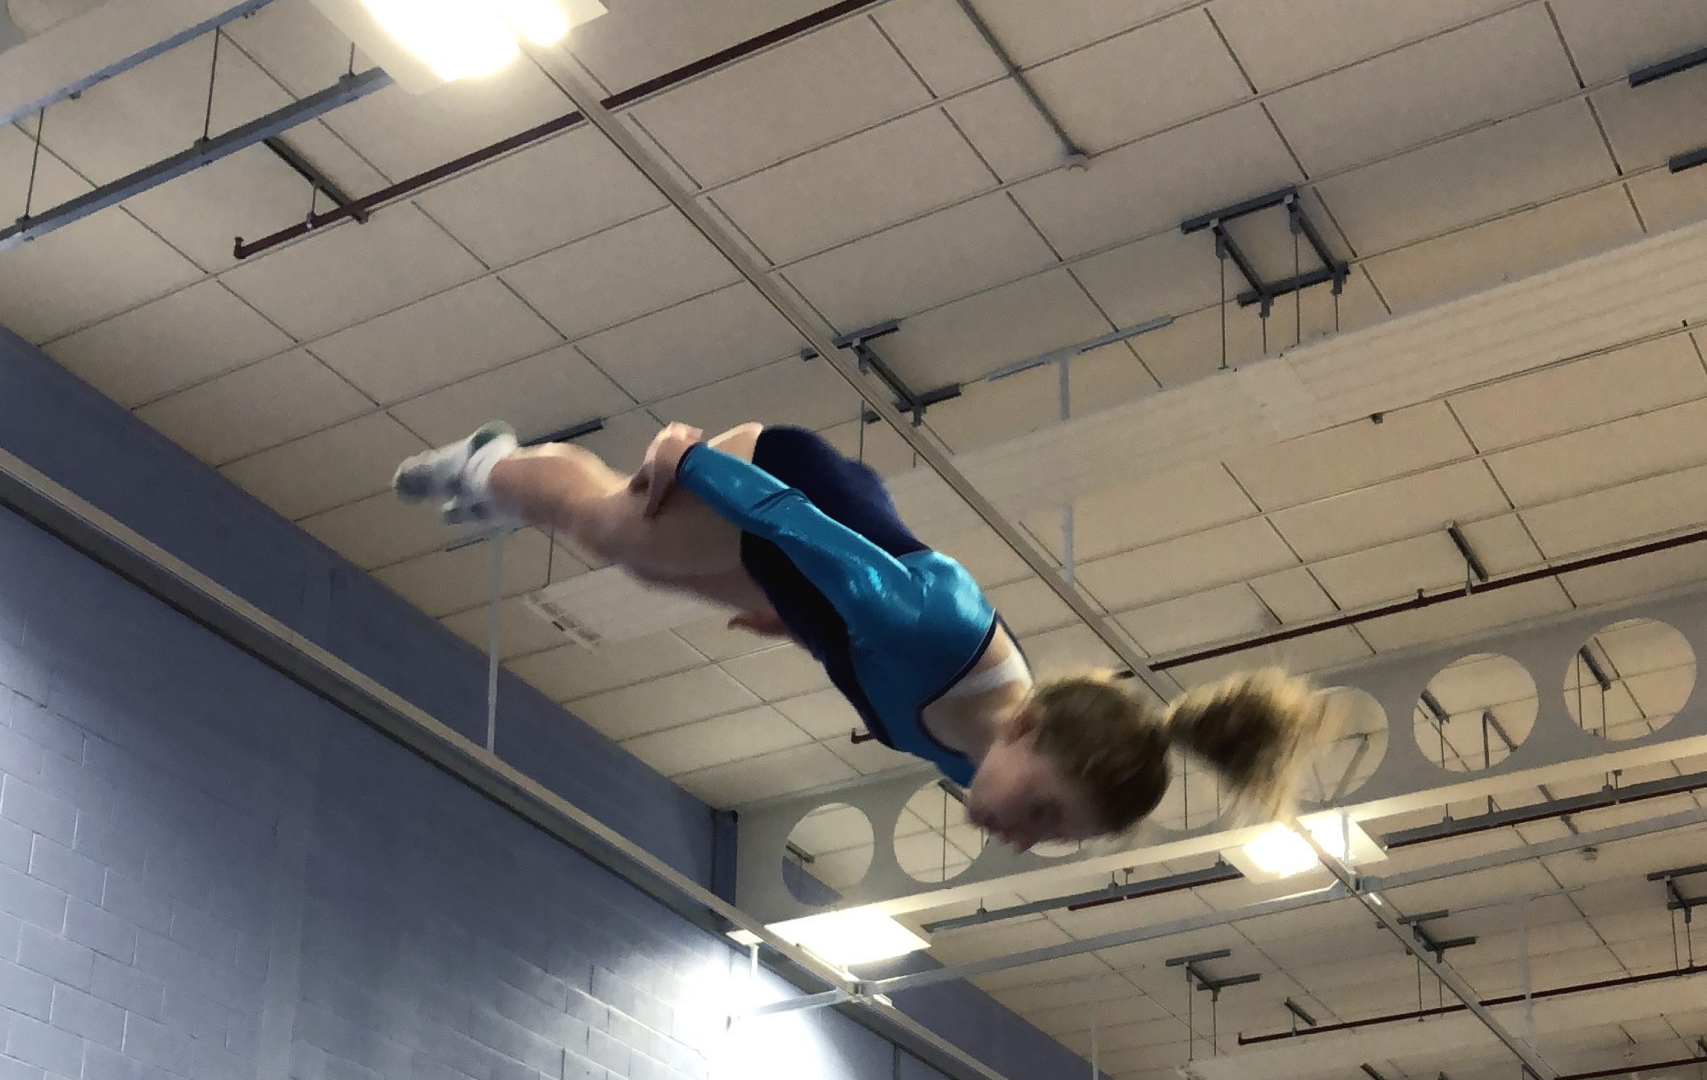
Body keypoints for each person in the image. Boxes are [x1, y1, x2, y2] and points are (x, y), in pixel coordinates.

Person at [392, 417, 1335, 852]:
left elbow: (871, 671)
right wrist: (691, 458)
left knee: (658, 568)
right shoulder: (930, 625)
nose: (1023, 839)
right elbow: (793, 521)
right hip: (779, 487)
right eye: (1044, 812)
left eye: (1053, 837)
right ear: (1026, 727)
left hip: (816, 580)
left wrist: (805, 629)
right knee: (616, 537)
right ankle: (492, 468)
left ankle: (512, 483)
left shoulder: (976, 758)